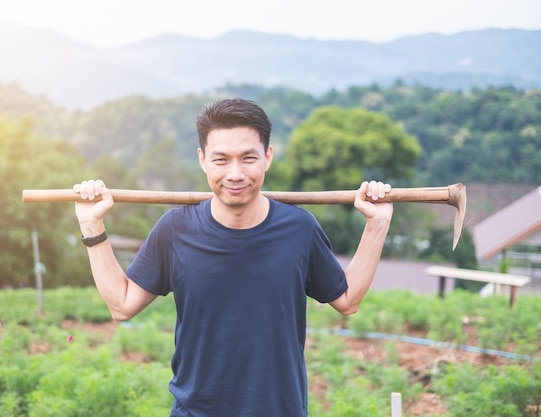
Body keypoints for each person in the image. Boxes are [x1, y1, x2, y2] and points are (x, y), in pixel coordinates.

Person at [73, 98, 393, 417]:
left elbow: (347, 300)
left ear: (268, 157)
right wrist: (91, 224)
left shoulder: (299, 229)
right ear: (202, 160)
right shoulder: (175, 230)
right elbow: (121, 305)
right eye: (221, 160)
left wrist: (377, 225)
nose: (236, 174)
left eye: (248, 158)